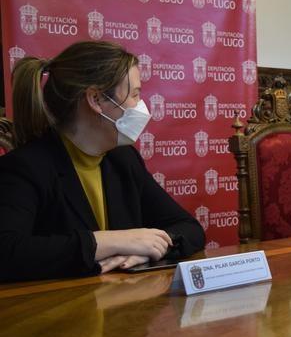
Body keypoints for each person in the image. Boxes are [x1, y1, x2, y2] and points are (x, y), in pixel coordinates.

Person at [0, 41, 205, 282]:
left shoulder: (123, 159)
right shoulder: (26, 167)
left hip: (120, 305)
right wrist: (110, 241)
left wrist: (148, 251)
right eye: (135, 94)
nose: (141, 106)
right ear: (96, 99)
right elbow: (7, 252)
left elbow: (188, 228)